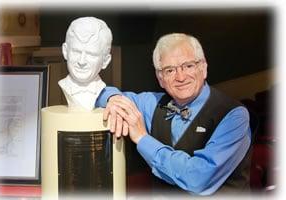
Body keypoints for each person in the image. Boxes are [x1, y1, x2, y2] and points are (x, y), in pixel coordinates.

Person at [96, 33, 252, 195]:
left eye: (188, 66)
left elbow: (197, 179)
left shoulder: (234, 115)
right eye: (170, 70)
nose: (181, 77)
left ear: (203, 68)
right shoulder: (152, 104)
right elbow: (100, 93)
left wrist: (143, 139)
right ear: (160, 78)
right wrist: (112, 98)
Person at [59, 17, 112, 111]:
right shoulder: (64, 85)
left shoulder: (103, 91)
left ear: (105, 61)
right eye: (76, 52)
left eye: (91, 54)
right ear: (65, 51)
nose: (81, 61)